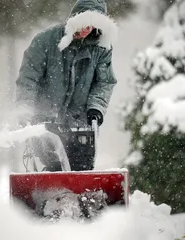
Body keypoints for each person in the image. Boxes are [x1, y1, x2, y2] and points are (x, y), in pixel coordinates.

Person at [15, 0, 117, 171]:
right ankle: (51, 195)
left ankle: (82, 197)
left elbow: (104, 82)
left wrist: (96, 108)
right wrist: (25, 109)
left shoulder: (101, 48)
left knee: (81, 169)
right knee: (53, 167)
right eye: (83, 24)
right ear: (74, 20)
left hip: (79, 122)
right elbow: (28, 79)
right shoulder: (44, 42)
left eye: (91, 27)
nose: (86, 30)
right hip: (46, 120)